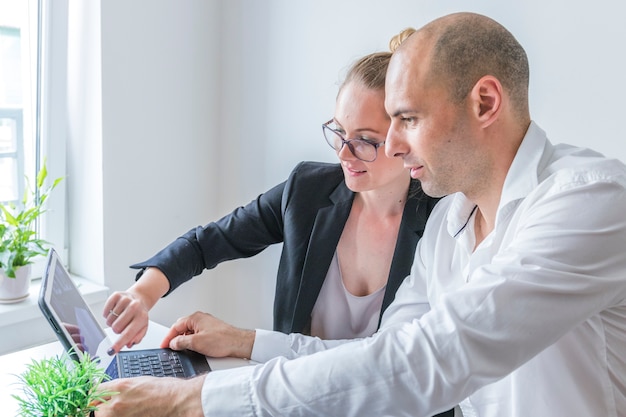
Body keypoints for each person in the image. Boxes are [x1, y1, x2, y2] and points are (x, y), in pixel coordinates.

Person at [95, 12, 626, 417]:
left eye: (408, 119)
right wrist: (247, 344)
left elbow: (429, 359)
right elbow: (379, 353)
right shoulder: (450, 224)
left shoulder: (589, 202)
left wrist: (195, 400)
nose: (393, 145)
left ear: (485, 103)